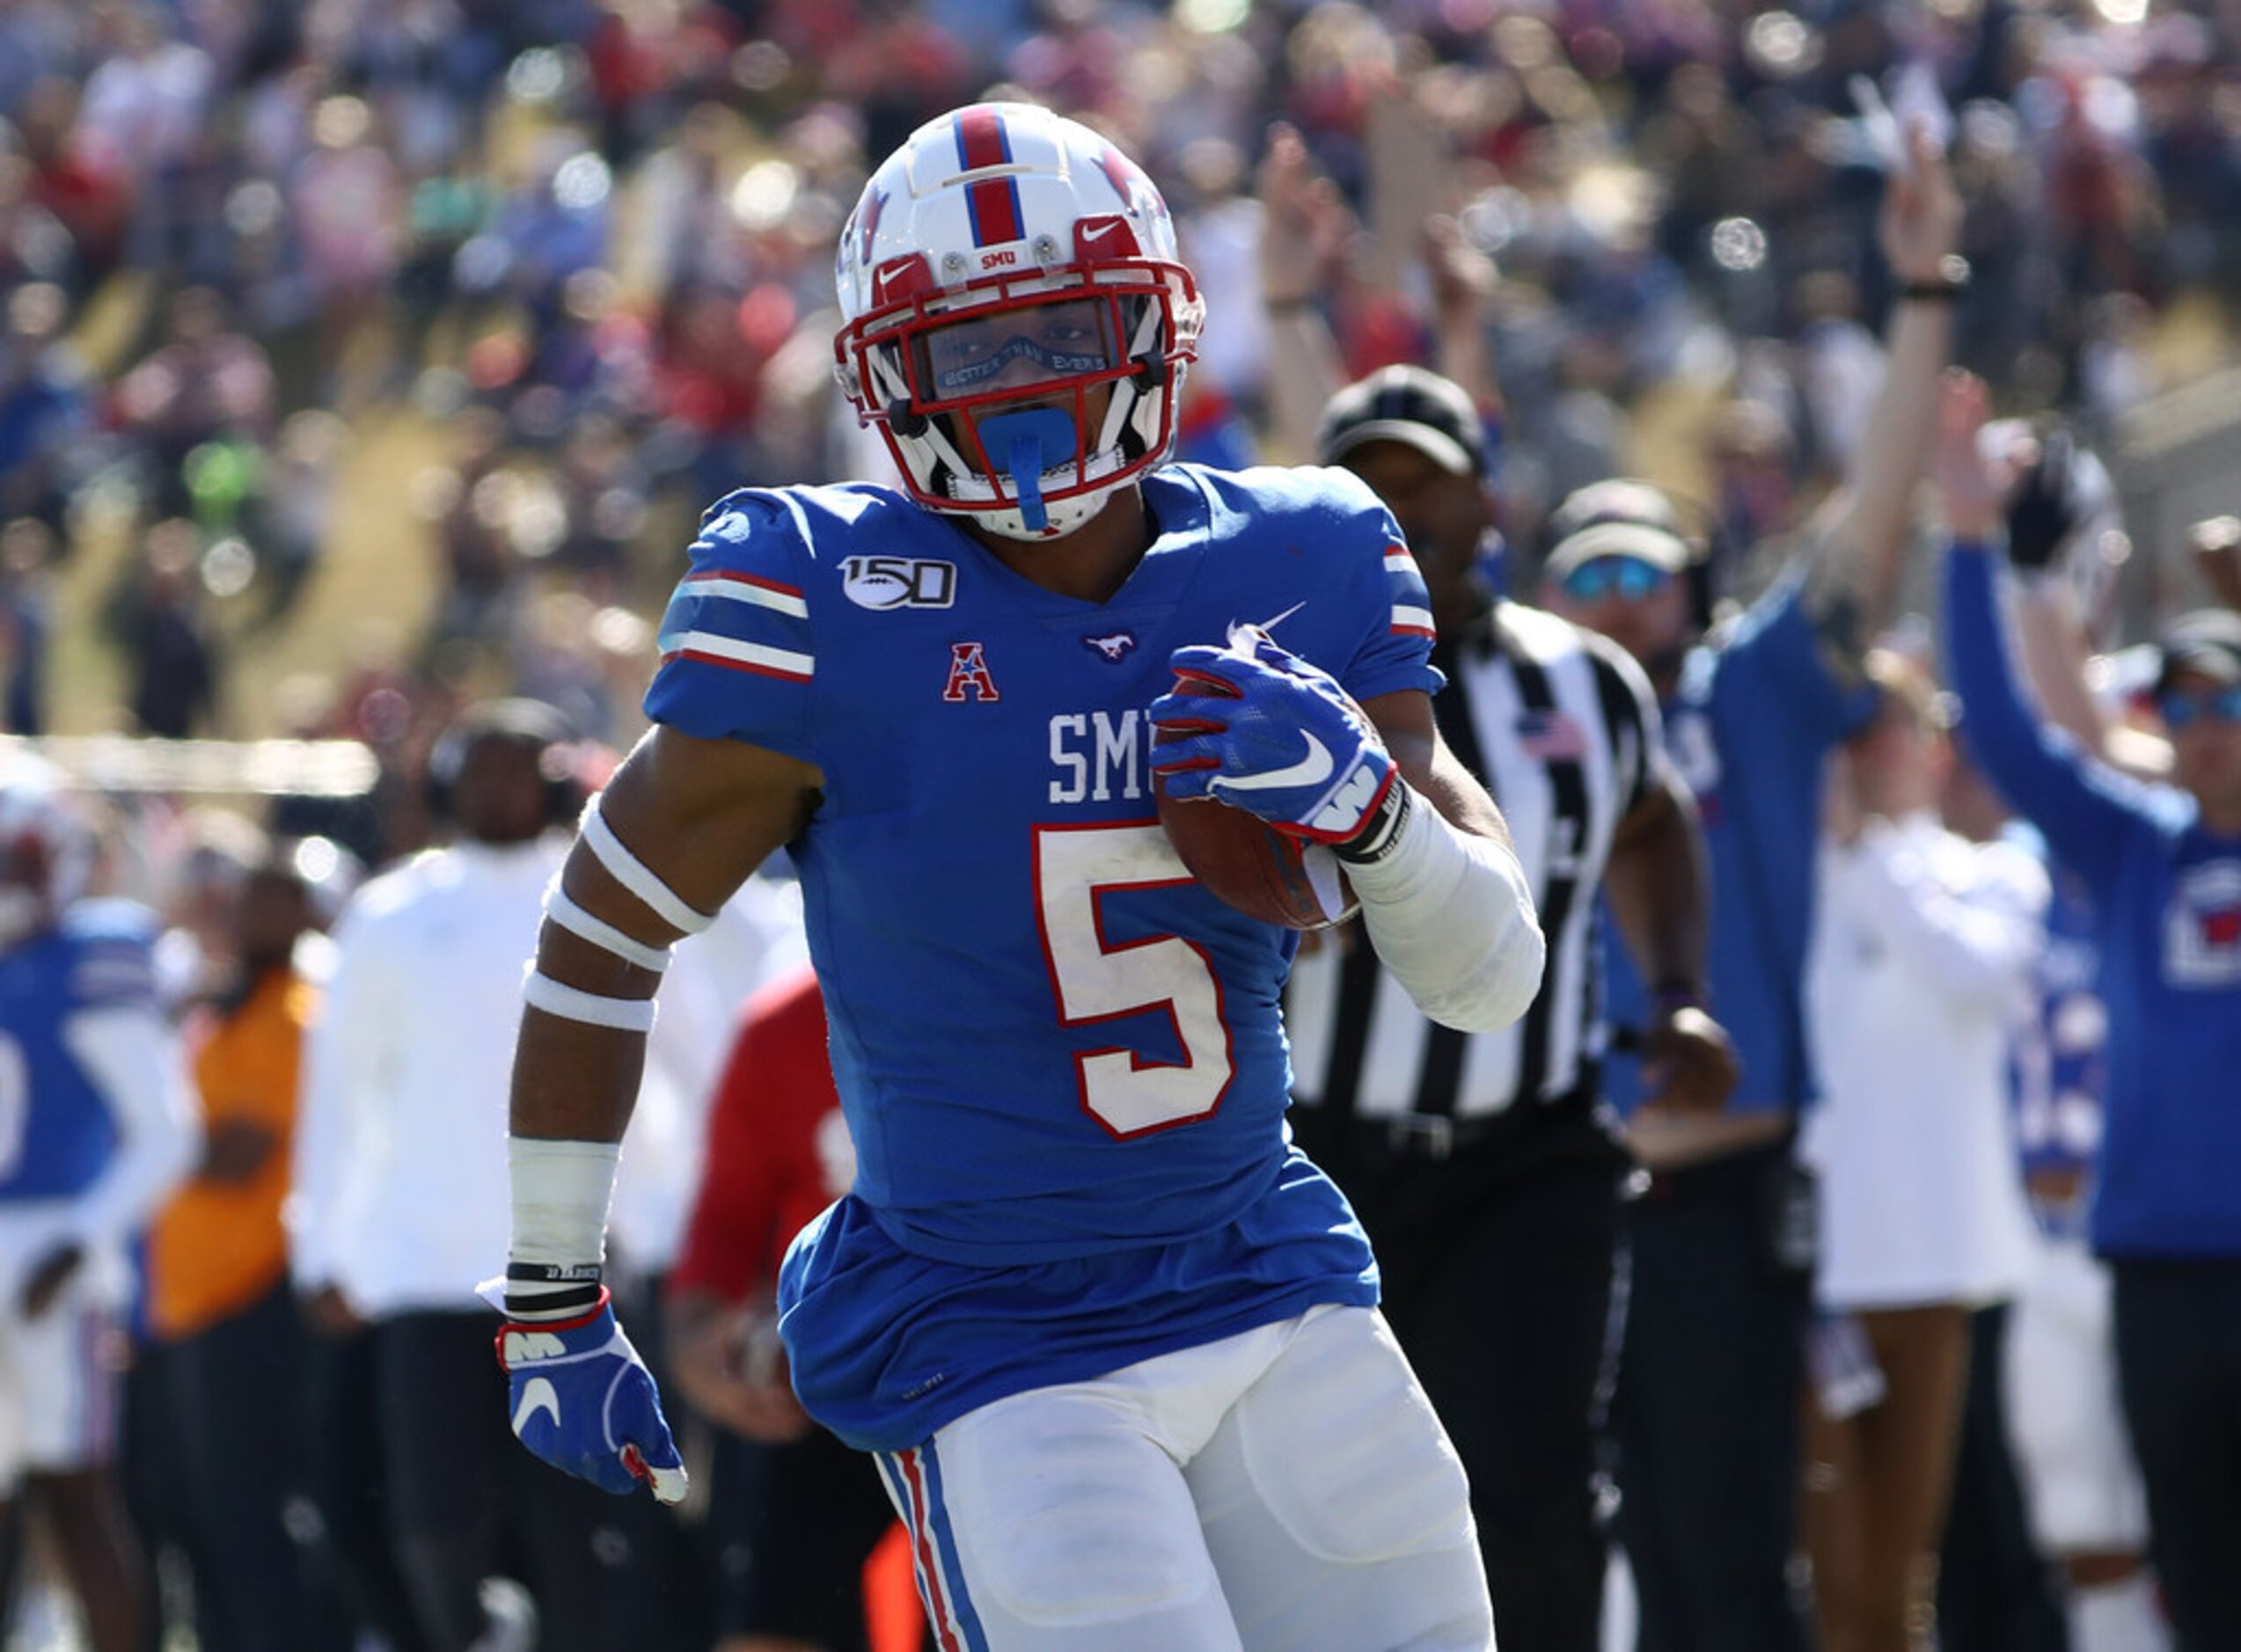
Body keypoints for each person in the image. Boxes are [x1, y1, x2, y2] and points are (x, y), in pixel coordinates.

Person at [488, 101, 1546, 1650]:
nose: (1027, 392)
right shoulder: (817, 596)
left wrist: (1372, 810)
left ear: (1159, 325)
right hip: (991, 1325)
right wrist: (548, 1288)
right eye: (972, 352)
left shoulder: (1306, 557)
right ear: (882, 373)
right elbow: (598, 935)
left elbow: (1491, 977)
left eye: (1060, 331)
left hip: (1261, 1262)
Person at [1537, 123, 1962, 1650]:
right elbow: (1384, 533)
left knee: (1732, 1566)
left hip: (1722, 1195)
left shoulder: (1751, 693)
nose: (1611, 594)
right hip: (1568, 1196)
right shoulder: (1526, 721)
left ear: (1696, 588)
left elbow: (1871, 529)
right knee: (1618, 1575)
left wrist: (1922, 293)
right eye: (1577, 576)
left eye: (1638, 565)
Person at [1288, 362, 1734, 1651]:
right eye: (1364, 490)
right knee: (1320, 1495)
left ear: (1489, 499)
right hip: (1323, 1152)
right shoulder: (1270, 681)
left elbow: (1648, 821)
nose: (1399, 512)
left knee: (1533, 1491)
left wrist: (1677, 994)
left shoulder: (1583, 682)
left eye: (1424, 482)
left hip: (1528, 1154)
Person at [1938, 369, 2241, 1652]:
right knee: (2187, 1561)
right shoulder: (2130, 847)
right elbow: (2007, 737)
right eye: (2177, 703)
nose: (2200, 727)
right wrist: (1965, 549)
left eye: (2223, 698)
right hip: (2156, 1265)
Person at [291, 699, 670, 1652]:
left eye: (520, 765)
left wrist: (663, 1223)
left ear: (553, 778)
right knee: (431, 1523)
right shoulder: (390, 913)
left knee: (574, 1526)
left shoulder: (604, 898)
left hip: (567, 1279)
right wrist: (318, 1247)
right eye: (482, 765)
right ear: (448, 781)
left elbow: (663, 1070)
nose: (500, 783)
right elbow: (337, 1095)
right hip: (420, 1270)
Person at [1800, 648, 2045, 1652]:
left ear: (1934, 744)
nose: (1872, 749)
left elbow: (1966, 971)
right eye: (1852, 730)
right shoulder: (1805, 875)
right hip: (1819, 1276)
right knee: (1833, 1573)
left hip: (1937, 1272)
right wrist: (1837, 848)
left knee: (1904, 1575)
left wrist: (1868, 849)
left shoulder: (1994, 871)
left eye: (1891, 722)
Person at [668, 963, 926, 1652]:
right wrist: (701, 1349)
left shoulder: (1005, 994)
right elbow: (724, 1223)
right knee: (767, 1628)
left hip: (996, 1359)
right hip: (828, 1375)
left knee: (1008, 1614)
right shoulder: (782, 1029)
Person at [143, 830, 357, 1652]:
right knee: (205, 1517)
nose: (254, 914)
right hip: (191, 1299)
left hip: (257, 1292)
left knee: (259, 1514)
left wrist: (140, 1145)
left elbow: (238, 1154)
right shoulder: (216, 1008)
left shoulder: (299, 1012)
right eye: (247, 898)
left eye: (277, 899)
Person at [0, 768, 196, 1652]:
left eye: (19, 859)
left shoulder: (88, 955)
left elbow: (167, 1134)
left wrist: (79, 1244)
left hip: (52, 1259)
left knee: (76, 1494)